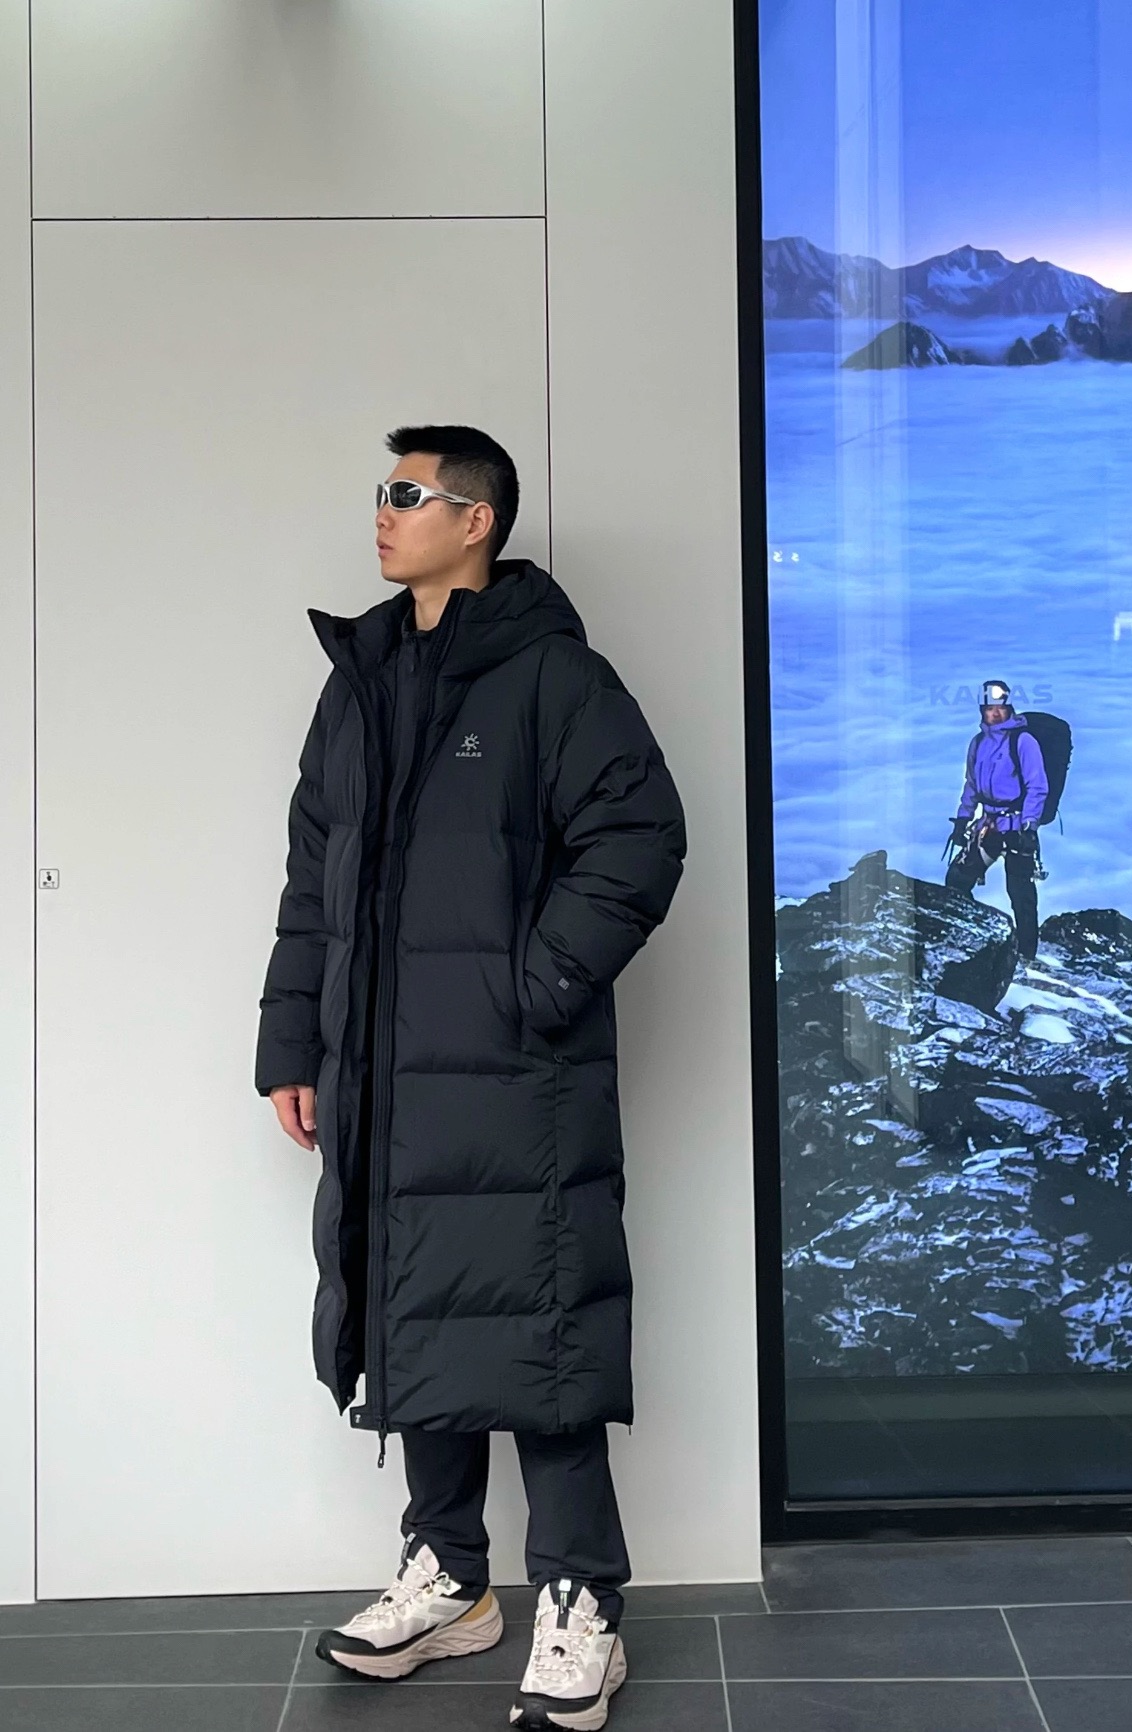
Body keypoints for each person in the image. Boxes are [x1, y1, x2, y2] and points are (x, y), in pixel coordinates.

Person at [254, 424, 687, 1730]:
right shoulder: (359, 681)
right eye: (381, 492)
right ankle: (450, 1575)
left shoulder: (553, 676)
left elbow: (639, 835)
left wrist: (532, 986)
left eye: (406, 493)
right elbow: (311, 879)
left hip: (514, 1078)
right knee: (413, 1309)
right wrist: (291, 1042)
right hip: (380, 1074)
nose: (382, 513)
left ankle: (582, 1600)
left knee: (540, 1328)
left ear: (474, 518)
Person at [945, 679, 1047, 960]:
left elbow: (1037, 787)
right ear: (982, 711)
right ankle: (974, 939)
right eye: (990, 709)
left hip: (1016, 826)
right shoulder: (978, 744)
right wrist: (963, 819)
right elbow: (972, 785)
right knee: (956, 880)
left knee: (1021, 894)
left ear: (1009, 708)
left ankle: (1026, 956)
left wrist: (1029, 827)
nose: (996, 713)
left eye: (1000, 708)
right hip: (988, 826)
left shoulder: (1023, 741)